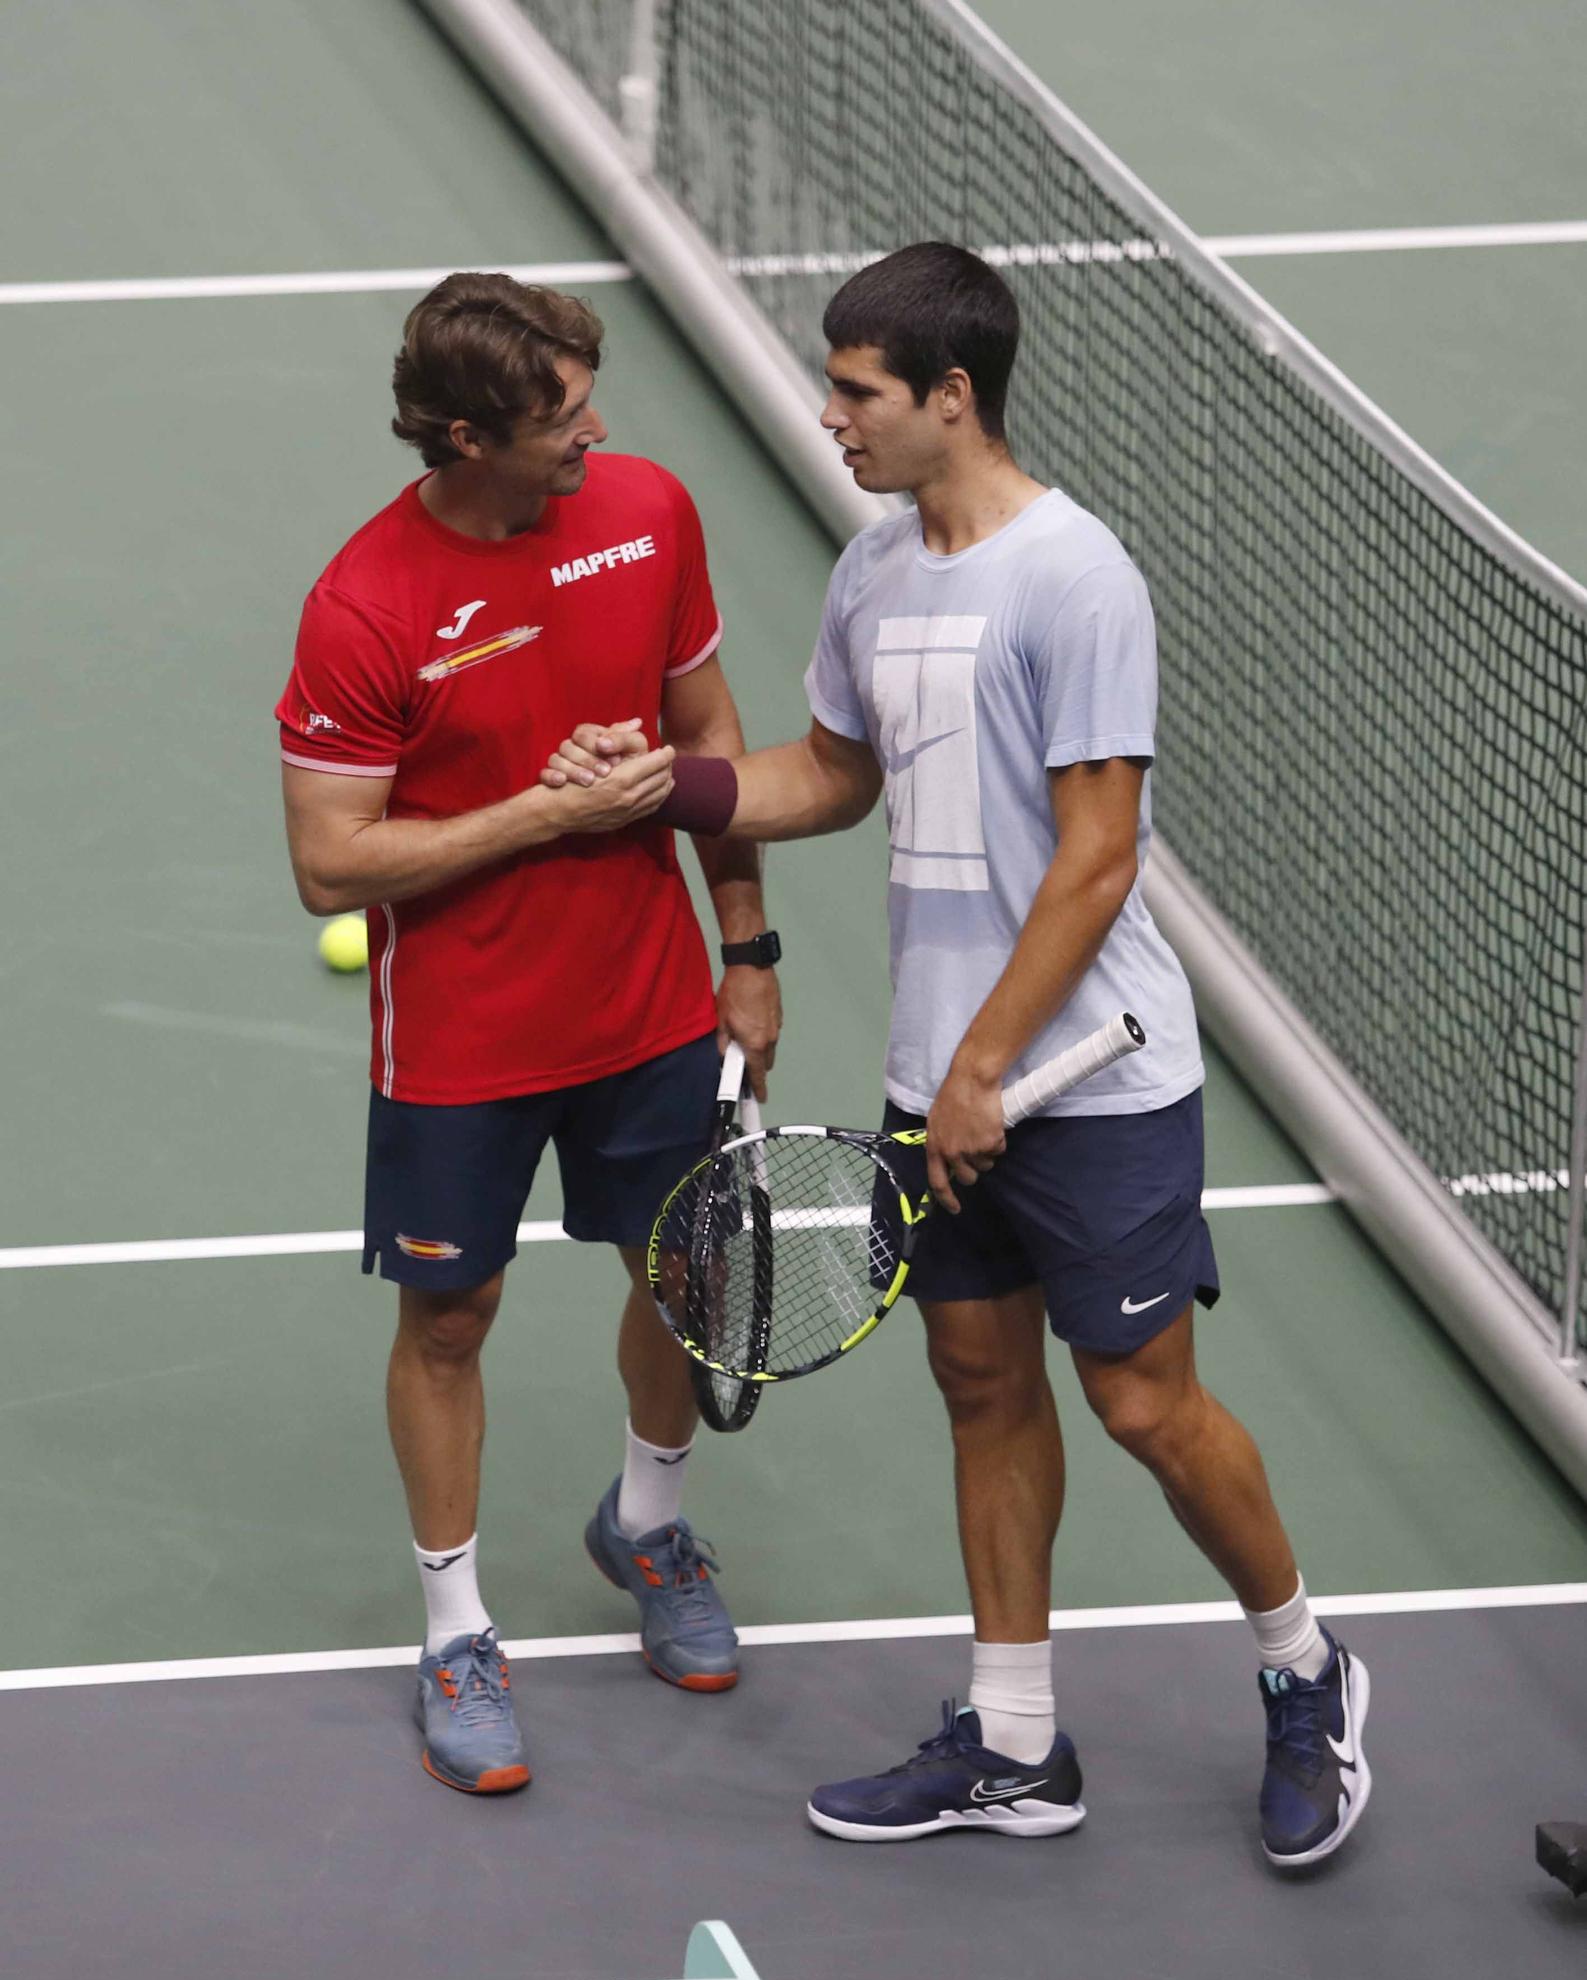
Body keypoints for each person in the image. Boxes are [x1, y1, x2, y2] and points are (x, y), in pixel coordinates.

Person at [542, 243, 1369, 1866]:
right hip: (954, 1070)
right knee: (981, 1383)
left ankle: (1307, 1670)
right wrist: (668, 789)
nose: (831, 415)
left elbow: (1098, 859)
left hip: (1090, 1074)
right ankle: (1011, 1741)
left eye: (856, 391)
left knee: (1140, 1402)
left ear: (950, 396)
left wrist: (987, 1065)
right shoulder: (874, 573)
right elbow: (836, 775)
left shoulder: (1079, 579)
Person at [276, 272, 781, 1796]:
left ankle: (646, 1521)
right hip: (460, 1035)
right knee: (449, 1322)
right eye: (562, 417)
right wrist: (539, 813)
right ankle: (455, 1633)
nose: (598, 433)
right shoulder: (365, 605)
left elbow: (709, 740)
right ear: (460, 433)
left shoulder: (649, 512)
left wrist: (747, 947)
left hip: (649, 998)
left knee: (675, 1274)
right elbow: (329, 863)